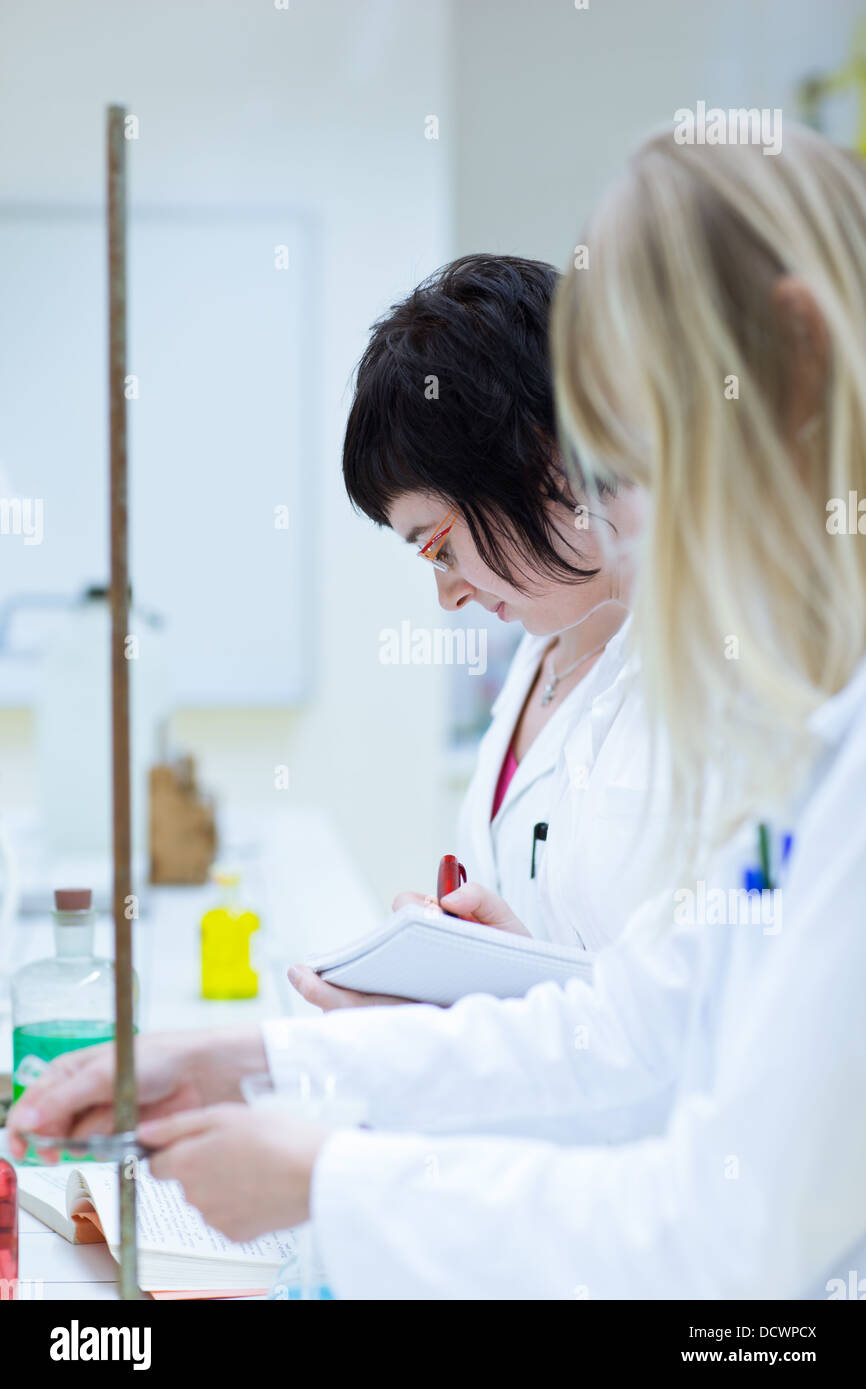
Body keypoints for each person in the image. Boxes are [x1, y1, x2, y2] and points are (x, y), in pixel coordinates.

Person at [10, 123, 866, 1299]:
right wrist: (246, 1059)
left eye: (630, 461)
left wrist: (329, 1179)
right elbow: (632, 1019)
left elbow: (730, 1228)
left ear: (796, 363)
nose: (609, 521)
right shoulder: (810, 731)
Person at [292, 254, 657, 1014]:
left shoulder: (717, 680)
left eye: (440, 546)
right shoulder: (539, 656)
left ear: (537, 457)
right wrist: (461, 992)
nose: (448, 594)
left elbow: (700, 1034)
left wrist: (494, 1010)